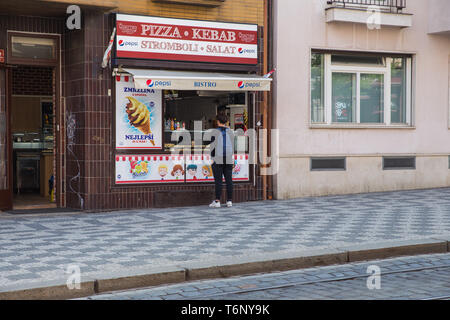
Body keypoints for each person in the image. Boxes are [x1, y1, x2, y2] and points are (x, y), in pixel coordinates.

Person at [209, 110, 234, 208]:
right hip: (228, 158)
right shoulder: (230, 132)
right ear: (226, 121)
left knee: (218, 180)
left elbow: (212, 147)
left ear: (218, 121)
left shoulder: (215, 132)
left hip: (218, 158)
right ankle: (229, 201)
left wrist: (212, 158)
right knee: (229, 180)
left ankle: (217, 201)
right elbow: (232, 145)